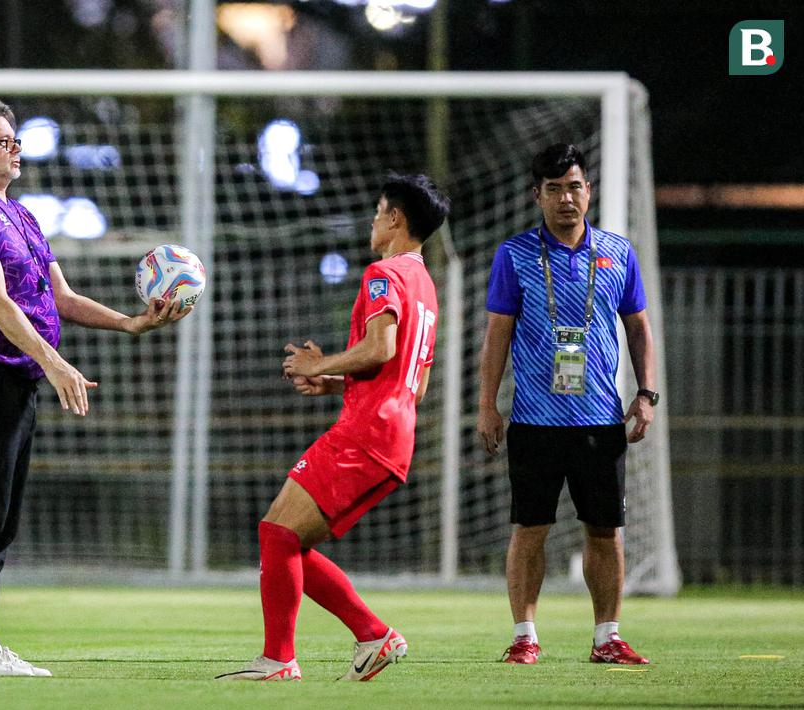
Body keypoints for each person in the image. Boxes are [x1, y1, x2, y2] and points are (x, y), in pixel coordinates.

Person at [0, 95, 190, 677]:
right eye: (4, 141)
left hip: (17, 381)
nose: (16, 149)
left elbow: (62, 299)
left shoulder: (21, 216)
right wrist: (54, 362)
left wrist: (131, 322)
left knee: (1, 517)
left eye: (16, 140)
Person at [215, 173, 450, 682]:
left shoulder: (383, 273)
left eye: (378, 210)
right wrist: (340, 381)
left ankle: (281, 660)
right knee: (287, 540)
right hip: (396, 433)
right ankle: (371, 637)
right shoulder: (427, 287)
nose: (372, 220)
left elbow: (382, 348)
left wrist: (315, 368)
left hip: (367, 432)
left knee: (276, 530)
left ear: (396, 219)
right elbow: (415, 377)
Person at [477, 143, 658, 666]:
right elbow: (497, 335)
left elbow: (639, 328)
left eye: (574, 186)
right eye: (554, 189)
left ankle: (607, 638)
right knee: (529, 529)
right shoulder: (514, 256)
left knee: (605, 530)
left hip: (602, 420)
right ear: (537, 196)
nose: (566, 198)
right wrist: (487, 405)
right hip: (534, 421)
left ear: (589, 191)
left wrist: (645, 394)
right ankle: (524, 636)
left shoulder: (619, 253)